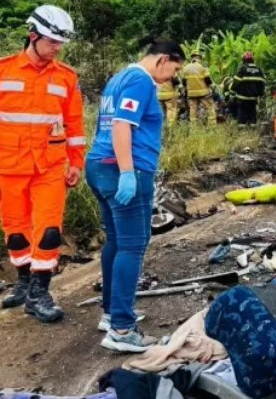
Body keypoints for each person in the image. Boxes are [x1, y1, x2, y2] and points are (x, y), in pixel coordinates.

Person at [0, 4, 86, 323]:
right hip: (9, 166)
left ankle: (39, 293)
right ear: (33, 36)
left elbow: (75, 125)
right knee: (15, 232)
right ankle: (25, 283)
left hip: (50, 168)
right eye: (52, 42)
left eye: (60, 43)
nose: (57, 48)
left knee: (49, 232)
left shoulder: (67, 78)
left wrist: (76, 163)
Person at [86, 37, 185, 352]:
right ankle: (122, 330)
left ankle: (112, 313)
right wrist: (128, 172)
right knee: (132, 246)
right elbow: (120, 126)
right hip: (122, 170)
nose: (172, 76)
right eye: (174, 68)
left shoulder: (119, 78)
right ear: (162, 59)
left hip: (99, 166)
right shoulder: (141, 81)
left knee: (116, 242)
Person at [231, 51, 266, 125]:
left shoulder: (243, 68)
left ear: (244, 60)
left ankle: (242, 130)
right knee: (252, 112)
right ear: (253, 60)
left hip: (242, 97)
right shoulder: (259, 69)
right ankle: (252, 128)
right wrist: (260, 93)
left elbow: (236, 81)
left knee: (242, 113)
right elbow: (262, 83)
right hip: (253, 98)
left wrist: (232, 90)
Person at [181, 50, 216, 124]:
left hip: (191, 93)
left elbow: (183, 81)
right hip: (203, 92)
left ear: (191, 57)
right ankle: (212, 126)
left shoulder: (186, 68)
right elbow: (207, 79)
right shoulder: (202, 67)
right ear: (199, 57)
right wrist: (212, 87)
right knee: (210, 107)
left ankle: (193, 127)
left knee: (193, 109)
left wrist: (185, 89)